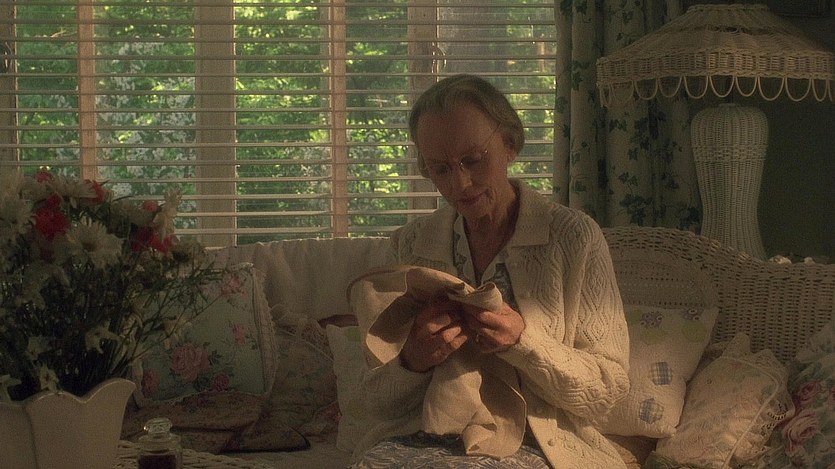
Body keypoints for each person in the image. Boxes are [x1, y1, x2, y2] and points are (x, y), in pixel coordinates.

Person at [349, 74, 630, 469]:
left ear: (510, 144)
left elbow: (607, 392)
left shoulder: (572, 237)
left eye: (473, 160)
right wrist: (412, 360)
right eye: (441, 169)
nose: (460, 183)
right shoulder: (409, 245)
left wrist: (523, 343)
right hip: (419, 437)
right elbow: (374, 403)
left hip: (539, 444)